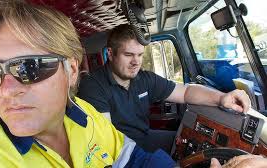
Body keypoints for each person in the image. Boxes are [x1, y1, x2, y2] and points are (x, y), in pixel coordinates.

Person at [0, 1, 176, 167]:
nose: (7, 90)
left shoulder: (83, 113)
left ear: (72, 70)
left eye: (29, 67)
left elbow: (130, 159)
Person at [78, 24, 251, 153]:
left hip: (145, 137)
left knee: (192, 145)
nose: (136, 62)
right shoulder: (93, 86)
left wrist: (222, 98)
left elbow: (185, 92)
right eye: (128, 55)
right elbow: (106, 143)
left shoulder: (144, 78)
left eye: (139, 55)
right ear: (110, 53)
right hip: (122, 149)